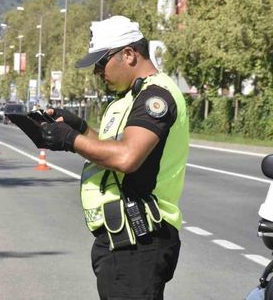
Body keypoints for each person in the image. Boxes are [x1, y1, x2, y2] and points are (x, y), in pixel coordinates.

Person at [39, 16, 189, 299]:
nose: (97, 72)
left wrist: (71, 140)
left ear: (129, 54)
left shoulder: (155, 97)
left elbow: (127, 157)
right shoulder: (129, 98)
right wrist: (80, 129)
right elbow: (114, 148)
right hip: (122, 240)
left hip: (140, 239)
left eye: (101, 63)